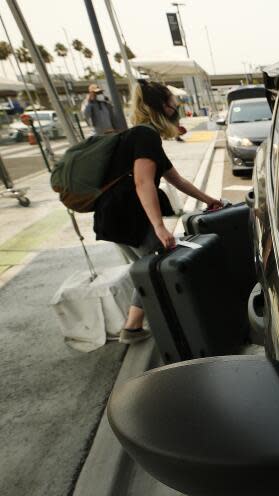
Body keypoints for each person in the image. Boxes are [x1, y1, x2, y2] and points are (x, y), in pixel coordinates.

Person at [93, 79, 222, 344]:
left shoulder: (143, 136)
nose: (177, 107)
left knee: (146, 268)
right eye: (174, 102)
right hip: (129, 218)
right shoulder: (145, 135)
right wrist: (160, 227)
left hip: (114, 216)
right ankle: (134, 326)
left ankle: (137, 324)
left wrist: (210, 200)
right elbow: (143, 182)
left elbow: (178, 180)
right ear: (161, 106)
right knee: (154, 264)